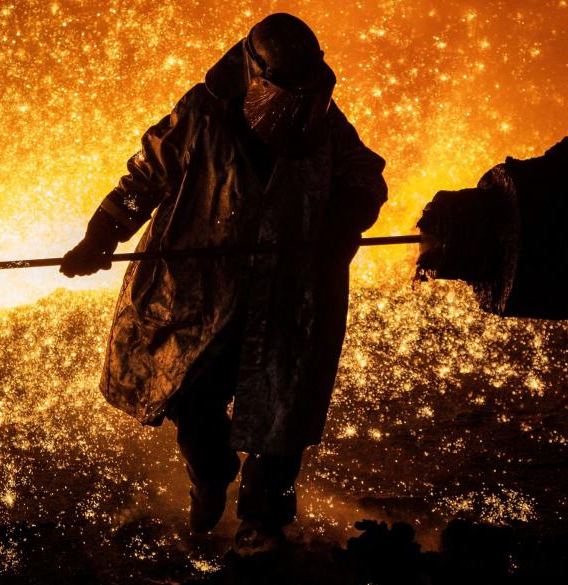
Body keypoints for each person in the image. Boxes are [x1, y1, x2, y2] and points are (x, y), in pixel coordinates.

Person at [60, 12, 387, 554]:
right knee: (193, 398)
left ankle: (263, 521)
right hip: (202, 295)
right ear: (254, 72)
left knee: (281, 411)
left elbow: (363, 175)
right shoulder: (203, 114)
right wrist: (101, 236)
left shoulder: (322, 122)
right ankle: (210, 476)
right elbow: (146, 177)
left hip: (287, 297)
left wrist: (346, 220)